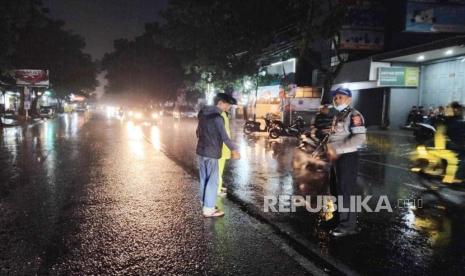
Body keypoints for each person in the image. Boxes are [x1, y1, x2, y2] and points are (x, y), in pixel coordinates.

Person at [326, 87, 367, 237]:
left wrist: (337, 148)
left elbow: (359, 138)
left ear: (349, 99)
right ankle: (338, 219)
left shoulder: (354, 115)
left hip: (347, 157)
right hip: (337, 157)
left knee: (347, 192)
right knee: (336, 190)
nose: (337, 100)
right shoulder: (338, 115)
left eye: (341, 97)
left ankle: (348, 226)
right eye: (335, 98)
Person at [196, 93, 240, 217]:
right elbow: (224, 137)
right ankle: (209, 209)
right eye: (227, 104)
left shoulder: (203, 114)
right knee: (213, 181)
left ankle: (205, 203)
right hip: (212, 153)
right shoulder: (218, 117)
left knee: (204, 179)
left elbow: (197, 132)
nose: (228, 107)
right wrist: (234, 150)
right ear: (220, 103)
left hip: (201, 151)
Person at [218, 110, 231, 198]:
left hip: (224, 147)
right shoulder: (220, 115)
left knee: (220, 169)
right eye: (228, 104)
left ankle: (218, 186)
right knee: (218, 170)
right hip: (221, 147)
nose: (229, 107)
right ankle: (217, 190)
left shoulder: (224, 114)